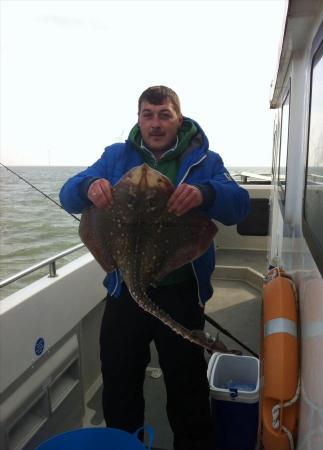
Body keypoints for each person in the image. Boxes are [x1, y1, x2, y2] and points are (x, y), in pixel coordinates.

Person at [60, 85, 250, 450]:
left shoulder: (204, 161)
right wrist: (88, 186)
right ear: (139, 119)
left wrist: (205, 193)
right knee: (119, 380)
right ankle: (123, 443)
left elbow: (239, 205)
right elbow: (67, 194)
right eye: (148, 115)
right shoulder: (116, 156)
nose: (156, 123)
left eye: (164, 114)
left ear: (179, 118)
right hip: (122, 287)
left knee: (187, 385)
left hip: (180, 289)